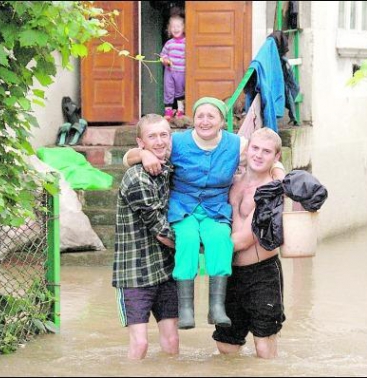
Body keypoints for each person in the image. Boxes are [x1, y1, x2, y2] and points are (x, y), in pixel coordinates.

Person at [124, 97, 248, 330]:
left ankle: (216, 307)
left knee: (221, 239)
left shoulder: (237, 145)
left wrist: (278, 169)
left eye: (211, 116)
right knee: (188, 240)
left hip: (216, 209)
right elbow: (128, 157)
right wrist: (143, 155)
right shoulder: (177, 142)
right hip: (183, 208)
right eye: (200, 115)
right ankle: (186, 309)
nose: (204, 121)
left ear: (222, 121)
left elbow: (266, 156)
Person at [213, 127, 286, 359]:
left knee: (263, 346)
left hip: (261, 274)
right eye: (255, 148)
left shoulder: (271, 191)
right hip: (229, 273)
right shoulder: (232, 182)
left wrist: (199, 251)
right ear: (247, 149)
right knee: (226, 345)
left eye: (266, 151)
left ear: (276, 157)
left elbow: (245, 239)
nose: (258, 155)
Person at [112, 114, 178, 360]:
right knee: (140, 344)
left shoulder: (169, 163)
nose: (160, 142)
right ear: (141, 142)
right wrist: (198, 250)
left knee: (172, 341)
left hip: (165, 270)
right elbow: (161, 231)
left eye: (164, 135)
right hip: (135, 273)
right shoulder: (137, 178)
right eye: (152, 137)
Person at [160, 14, 186, 120]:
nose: (176, 29)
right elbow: (163, 55)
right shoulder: (169, 43)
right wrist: (165, 60)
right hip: (170, 71)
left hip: (181, 71)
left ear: (183, 28)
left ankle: (180, 110)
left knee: (180, 91)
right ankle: (168, 111)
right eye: (173, 27)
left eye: (178, 26)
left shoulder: (186, 42)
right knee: (168, 89)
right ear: (169, 29)